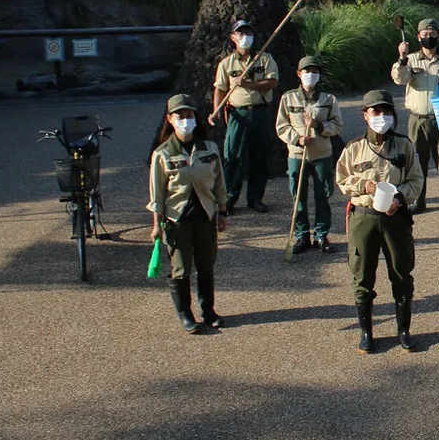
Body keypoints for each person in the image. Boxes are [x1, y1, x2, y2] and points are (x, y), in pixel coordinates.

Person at [336, 90, 424, 354]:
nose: (381, 117)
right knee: (362, 275)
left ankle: (404, 331)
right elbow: (341, 179)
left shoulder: (404, 145)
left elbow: (416, 180)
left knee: (401, 272)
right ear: (365, 115)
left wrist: (400, 197)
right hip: (364, 219)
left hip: (395, 218)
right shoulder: (353, 148)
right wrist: (363, 184)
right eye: (376, 112)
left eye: (386, 112)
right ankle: (366, 333)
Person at [147, 94, 228, 334]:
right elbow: (157, 195)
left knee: (206, 264)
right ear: (170, 120)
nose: (185, 120)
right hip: (177, 218)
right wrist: (156, 225)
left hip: (205, 215)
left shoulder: (209, 148)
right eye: (180, 116)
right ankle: (185, 314)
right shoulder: (162, 153)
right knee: (181, 269)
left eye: (189, 116)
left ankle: (208, 310)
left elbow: (219, 184)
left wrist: (222, 212)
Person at [391, 18, 439, 216]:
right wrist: (402, 57)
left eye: (432, 34)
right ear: (418, 37)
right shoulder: (411, 60)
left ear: (438, 36)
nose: (428, 37)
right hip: (417, 119)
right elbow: (399, 79)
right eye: (424, 34)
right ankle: (419, 201)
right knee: (417, 161)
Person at [275, 55, 344, 254]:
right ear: (299, 74)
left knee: (323, 195)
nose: (310, 75)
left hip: (322, 154)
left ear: (319, 75)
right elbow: (281, 126)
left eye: (314, 72)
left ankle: (321, 235)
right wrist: (297, 139)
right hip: (297, 155)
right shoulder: (288, 98)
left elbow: (337, 125)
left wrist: (319, 126)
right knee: (298, 197)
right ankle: (301, 235)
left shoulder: (328, 99)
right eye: (306, 71)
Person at [210, 19, 280, 213]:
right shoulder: (226, 64)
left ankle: (255, 198)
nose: (245, 37)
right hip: (237, 114)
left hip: (260, 112)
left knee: (259, 156)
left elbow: (273, 82)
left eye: (248, 33)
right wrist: (216, 112)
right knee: (232, 156)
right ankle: (230, 198)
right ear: (233, 37)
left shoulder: (264, 59)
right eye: (241, 33)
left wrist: (248, 85)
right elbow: (220, 89)